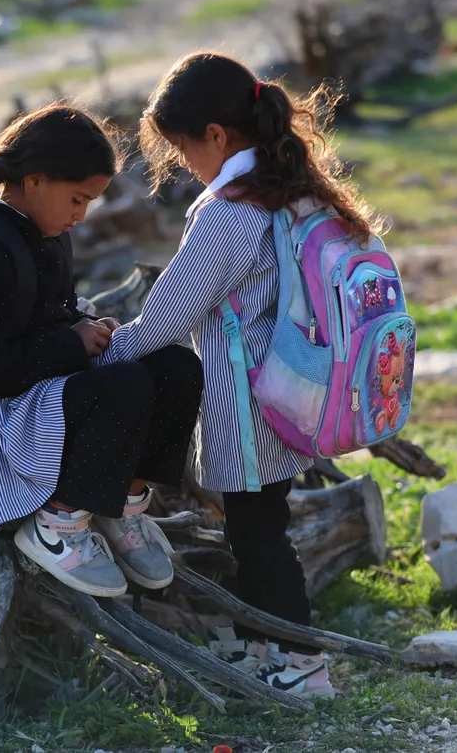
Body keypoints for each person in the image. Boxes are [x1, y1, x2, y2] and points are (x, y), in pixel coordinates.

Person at [95, 52, 383, 698]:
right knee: (261, 525)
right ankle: (268, 647)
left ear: (217, 137)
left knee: (258, 536)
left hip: (248, 398)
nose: (184, 164)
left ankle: (301, 664)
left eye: (182, 149)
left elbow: (169, 314)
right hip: (295, 388)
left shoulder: (226, 213)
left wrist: (111, 351)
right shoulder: (297, 188)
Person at [0, 104, 203, 599]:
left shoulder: (43, 235)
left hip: (27, 401)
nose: (81, 215)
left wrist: (81, 327)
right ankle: (59, 524)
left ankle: (123, 506)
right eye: (76, 198)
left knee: (176, 366)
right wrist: (69, 343)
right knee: (126, 384)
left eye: (88, 202)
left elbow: (40, 319)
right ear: (33, 180)